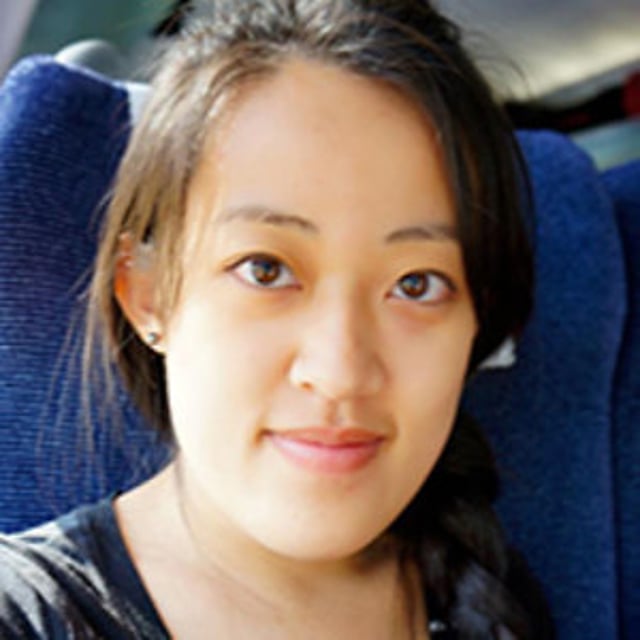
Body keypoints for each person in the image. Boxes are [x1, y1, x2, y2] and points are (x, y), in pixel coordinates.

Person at [0, 1, 554, 637]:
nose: (340, 373)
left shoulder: (494, 596)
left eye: (415, 285)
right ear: (147, 295)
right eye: (265, 270)